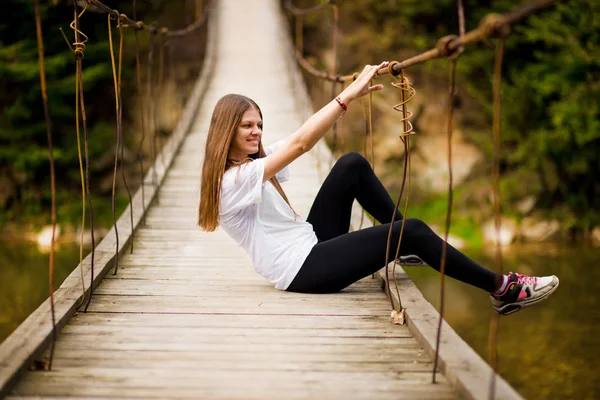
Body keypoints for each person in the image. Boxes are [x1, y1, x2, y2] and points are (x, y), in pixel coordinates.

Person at [198, 61, 559, 316]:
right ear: (226, 130)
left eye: (259, 124)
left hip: (308, 244)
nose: (256, 132)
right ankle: (502, 288)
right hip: (300, 270)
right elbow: (301, 145)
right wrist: (347, 97)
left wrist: (345, 102)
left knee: (351, 164)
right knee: (414, 229)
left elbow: (297, 136)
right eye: (247, 125)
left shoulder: (249, 165)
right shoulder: (231, 181)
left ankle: (401, 246)